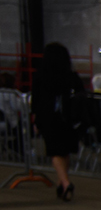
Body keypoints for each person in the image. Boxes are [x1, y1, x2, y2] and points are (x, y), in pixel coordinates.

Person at [30, 42, 85, 200]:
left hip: (49, 119)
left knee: (54, 152)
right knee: (65, 151)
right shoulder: (71, 76)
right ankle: (62, 182)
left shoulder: (41, 76)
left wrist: (35, 120)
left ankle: (66, 182)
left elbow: (36, 100)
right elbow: (81, 95)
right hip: (68, 119)